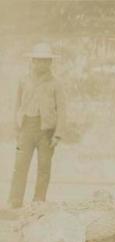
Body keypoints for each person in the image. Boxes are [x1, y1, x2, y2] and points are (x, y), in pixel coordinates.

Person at [8, 43, 65, 209]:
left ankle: (38, 202)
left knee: (44, 168)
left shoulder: (56, 83)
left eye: (46, 61)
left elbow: (62, 110)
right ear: (32, 61)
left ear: (50, 63)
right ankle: (15, 201)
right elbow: (17, 105)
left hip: (46, 131)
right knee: (20, 166)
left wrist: (58, 134)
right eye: (39, 60)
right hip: (26, 127)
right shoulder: (24, 80)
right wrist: (16, 129)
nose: (42, 64)